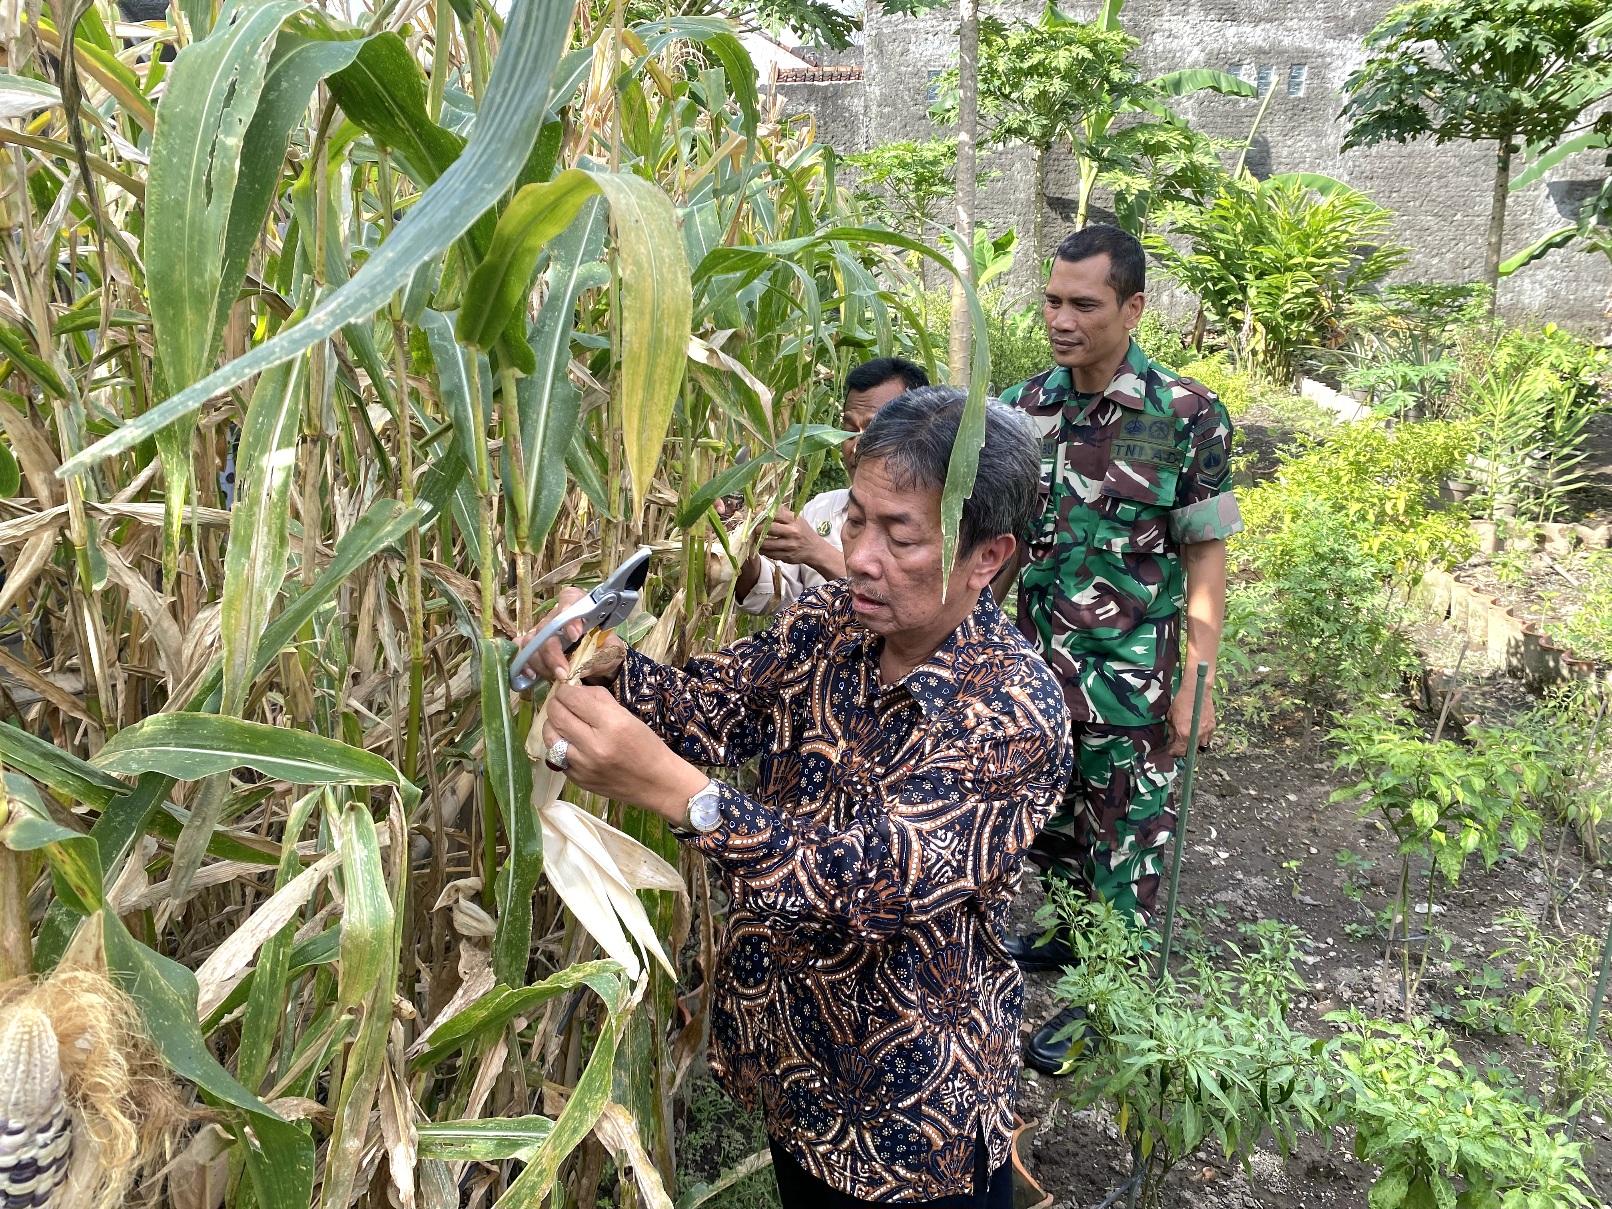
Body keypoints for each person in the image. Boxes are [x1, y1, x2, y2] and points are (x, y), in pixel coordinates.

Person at [518, 390, 1072, 1209]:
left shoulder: (1011, 712)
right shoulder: (832, 622)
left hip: (907, 1116)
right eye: (856, 521)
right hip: (793, 1066)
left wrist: (678, 793)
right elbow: (714, 708)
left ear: (987, 556)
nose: (862, 555)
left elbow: (859, 893)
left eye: (902, 535)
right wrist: (608, 660)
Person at [996, 225, 1241, 1075]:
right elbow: (998, 547)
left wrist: (1198, 683)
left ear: (1133, 307)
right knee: (1053, 829)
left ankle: (1107, 1007)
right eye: (1053, 300)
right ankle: (1067, 940)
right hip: (1033, 672)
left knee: (1127, 846)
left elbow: (1204, 551)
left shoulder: (1186, 414)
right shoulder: (1020, 410)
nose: (1061, 320)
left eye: (1084, 304)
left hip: (1132, 680)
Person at [732, 356, 929, 614]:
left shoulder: (938, 523)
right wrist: (740, 545)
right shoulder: (822, 508)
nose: (856, 446)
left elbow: (917, 606)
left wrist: (815, 551)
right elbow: (775, 596)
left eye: (874, 430)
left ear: (921, 428)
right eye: (848, 430)